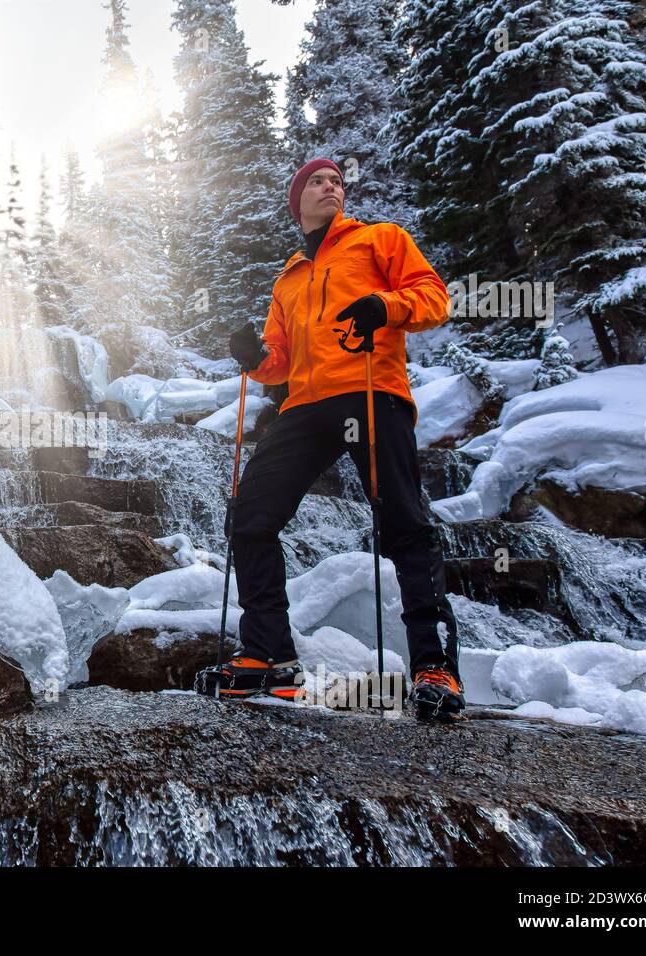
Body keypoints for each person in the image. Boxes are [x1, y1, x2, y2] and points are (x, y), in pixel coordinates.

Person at [201, 157, 465, 721]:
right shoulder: (289, 278)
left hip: (371, 390)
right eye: (317, 182)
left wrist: (385, 305)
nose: (331, 188)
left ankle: (434, 666)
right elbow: (280, 361)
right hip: (305, 405)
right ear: (298, 201)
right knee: (249, 515)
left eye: (338, 181)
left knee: (403, 523)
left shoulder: (380, 240)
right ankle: (268, 654)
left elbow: (433, 298)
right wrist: (255, 359)